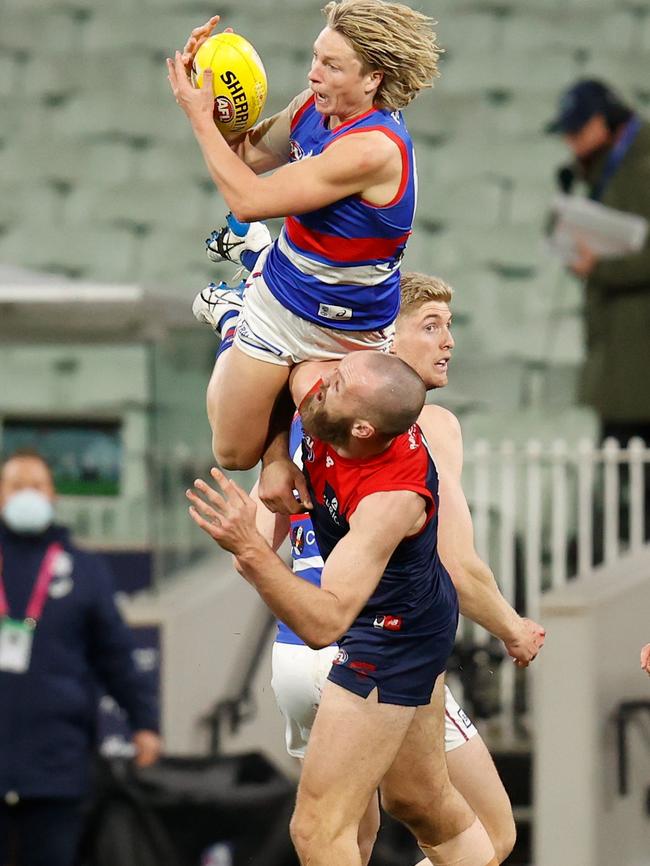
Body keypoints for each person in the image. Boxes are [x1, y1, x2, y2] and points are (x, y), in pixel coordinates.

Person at [255, 272, 544, 864]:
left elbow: (267, 530)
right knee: (487, 833)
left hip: (294, 651)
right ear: (382, 337)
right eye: (431, 326)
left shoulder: (313, 406)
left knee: (344, 839)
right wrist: (512, 627)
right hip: (373, 639)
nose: (448, 342)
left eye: (450, 326)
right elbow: (456, 566)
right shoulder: (422, 429)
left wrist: (273, 456)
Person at [189, 350, 505, 866]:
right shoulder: (335, 396)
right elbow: (279, 372)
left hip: (392, 637)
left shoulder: (392, 498)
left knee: (317, 830)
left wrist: (249, 548)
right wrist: (274, 459)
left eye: (334, 385)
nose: (318, 385)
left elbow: (327, 622)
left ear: (361, 428)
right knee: (421, 804)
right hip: (396, 616)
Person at [167, 1, 441, 470]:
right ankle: (238, 317)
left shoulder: (373, 148)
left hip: (350, 327)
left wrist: (195, 119)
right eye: (316, 57)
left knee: (349, 450)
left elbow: (248, 201)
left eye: (332, 66)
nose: (313, 74)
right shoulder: (310, 110)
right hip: (283, 298)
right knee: (233, 453)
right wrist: (210, 102)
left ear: (373, 78)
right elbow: (243, 161)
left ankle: (241, 302)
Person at [0, 451, 161, 866]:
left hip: (58, 765)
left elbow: (117, 655)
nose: (27, 495)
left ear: (53, 495)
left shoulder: (84, 569)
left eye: (36, 485)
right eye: (16, 486)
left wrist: (144, 723)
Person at [547, 79, 650, 449]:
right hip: (618, 346)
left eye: (576, 131)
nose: (569, 142)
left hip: (637, 348)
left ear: (602, 123)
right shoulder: (602, 166)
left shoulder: (641, 165)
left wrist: (600, 269)